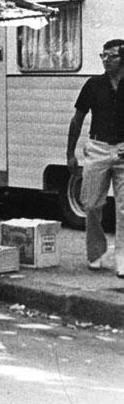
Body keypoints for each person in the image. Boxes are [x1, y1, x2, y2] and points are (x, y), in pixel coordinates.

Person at [66, 39, 124, 277]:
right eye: (103, 56)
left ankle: (123, 259)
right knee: (91, 204)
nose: (105, 60)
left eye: (111, 56)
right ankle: (96, 252)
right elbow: (77, 119)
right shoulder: (93, 84)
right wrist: (70, 153)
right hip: (98, 146)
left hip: (123, 148)